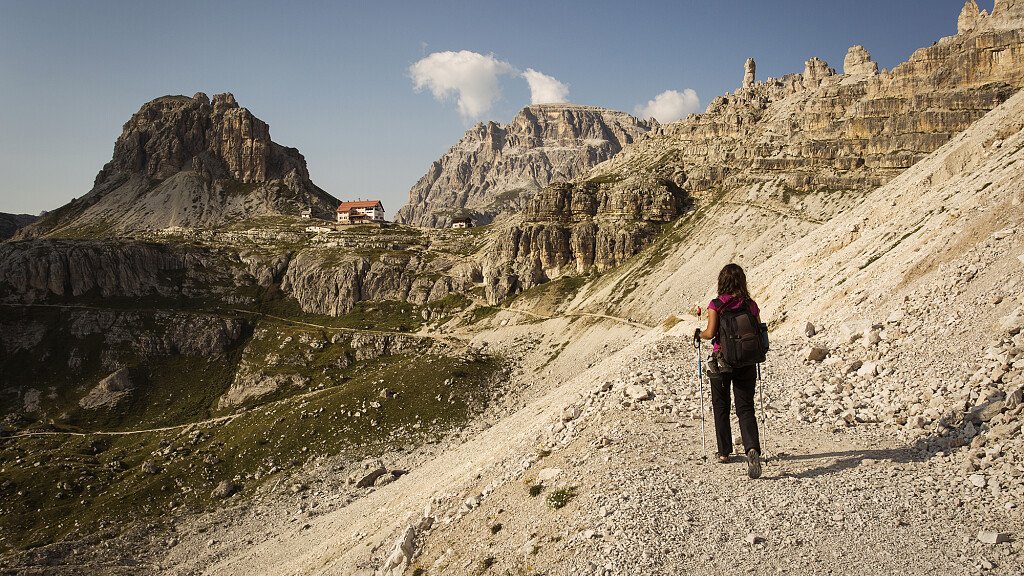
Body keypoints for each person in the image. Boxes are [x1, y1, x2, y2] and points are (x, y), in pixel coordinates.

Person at [694, 263, 762, 479]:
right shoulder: (751, 305)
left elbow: (710, 332)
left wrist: (699, 334)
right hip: (747, 362)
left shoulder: (716, 305)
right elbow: (758, 330)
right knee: (745, 407)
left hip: (722, 361)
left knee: (721, 404)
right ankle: (752, 450)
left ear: (722, 281)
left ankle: (724, 452)